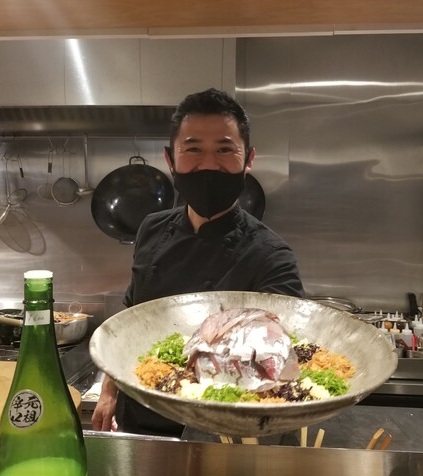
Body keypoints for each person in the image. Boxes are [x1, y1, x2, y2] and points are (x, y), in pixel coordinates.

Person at [91, 88, 304, 437]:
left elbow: (282, 362)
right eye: (192, 149)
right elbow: (131, 318)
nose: (208, 164)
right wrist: (108, 391)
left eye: (224, 149)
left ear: (248, 159)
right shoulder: (151, 228)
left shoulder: (271, 256)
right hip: (139, 420)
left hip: (220, 434)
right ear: (170, 159)